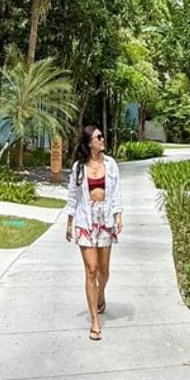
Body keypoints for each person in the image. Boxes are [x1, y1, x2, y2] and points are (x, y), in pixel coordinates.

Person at [65, 125, 123, 340]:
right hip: (85, 219)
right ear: (89, 142)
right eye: (99, 137)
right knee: (91, 269)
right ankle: (94, 321)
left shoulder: (111, 164)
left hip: (105, 217)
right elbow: (73, 196)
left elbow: (116, 191)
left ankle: (100, 294)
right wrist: (70, 222)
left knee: (104, 271)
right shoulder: (79, 168)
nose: (102, 139)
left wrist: (118, 215)